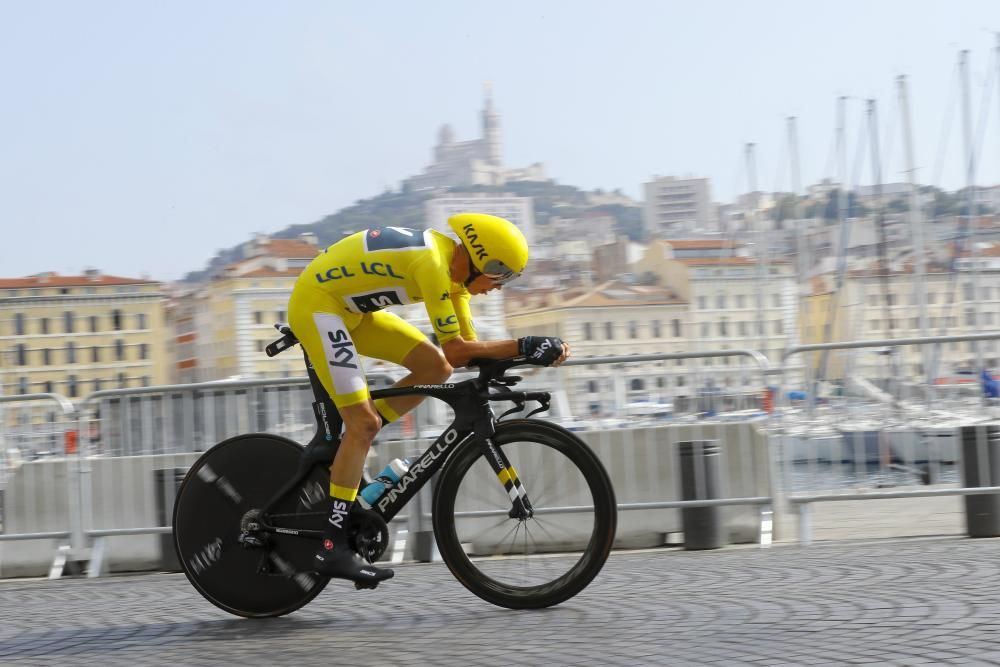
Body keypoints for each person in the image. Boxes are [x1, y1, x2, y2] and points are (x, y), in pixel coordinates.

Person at [286, 212, 569, 585]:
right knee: (364, 423)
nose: (499, 287)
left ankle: (355, 441)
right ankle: (331, 546)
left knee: (435, 369)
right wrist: (525, 344)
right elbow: (458, 349)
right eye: (502, 277)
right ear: (483, 260)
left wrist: (525, 354)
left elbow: (467, 353)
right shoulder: (433, 264)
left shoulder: (455, 281)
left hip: (351, 313)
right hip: (318, 306)